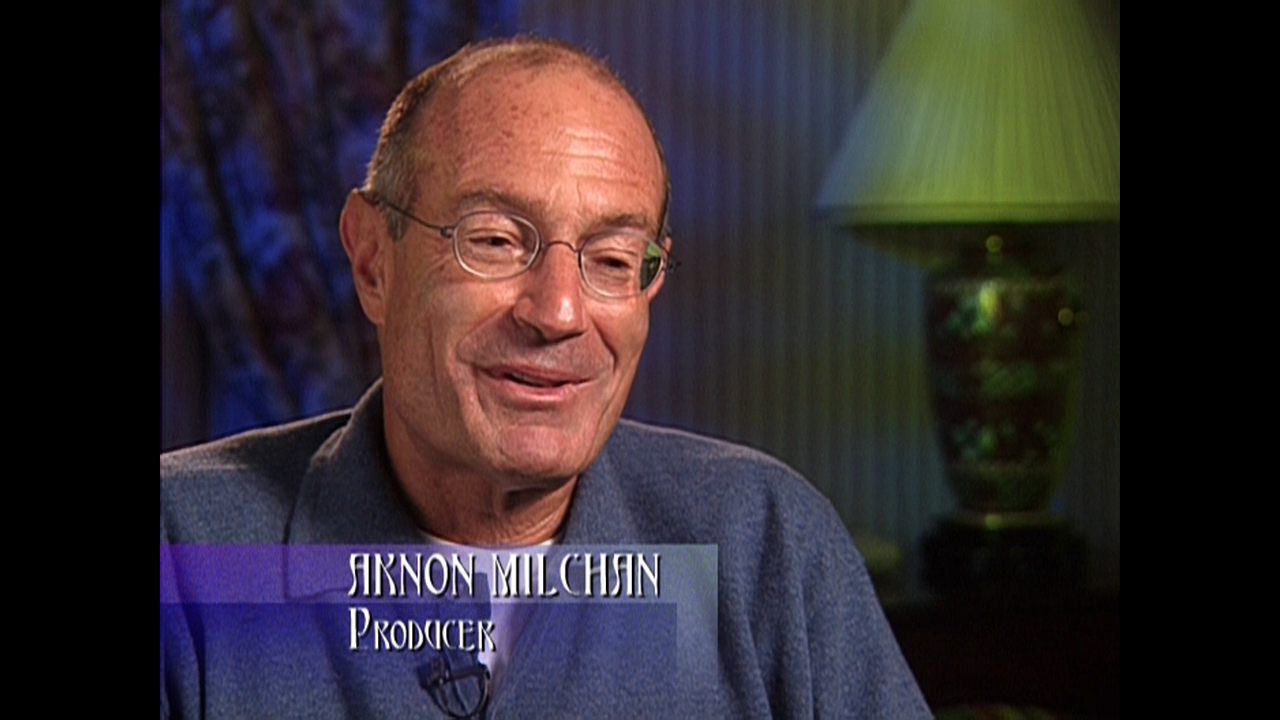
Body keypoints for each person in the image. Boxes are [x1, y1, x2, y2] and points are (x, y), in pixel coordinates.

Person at [161, 36, 929, 718]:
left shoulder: (765, 544)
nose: (559, 312)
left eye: (614, 259)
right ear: (372, 262)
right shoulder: (184, 555)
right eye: (495, 241)